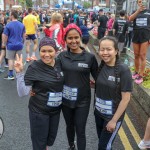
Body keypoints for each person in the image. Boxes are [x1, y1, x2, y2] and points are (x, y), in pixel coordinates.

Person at [14, 37, 64, 150]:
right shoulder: (34, 67)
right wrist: (20, 73)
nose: (46, 55)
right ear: (39, 51)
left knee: (49, 140)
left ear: (55, 51)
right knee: (39, 143)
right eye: (43, 51)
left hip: (55, 111)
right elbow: (23, 93)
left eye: (50, 51)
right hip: (39, 112)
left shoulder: (60, 64)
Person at [58, 23, 98, 150]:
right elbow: (53, 77)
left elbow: (99, 78)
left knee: (80, 129)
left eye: (76, 37)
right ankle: (71, 146)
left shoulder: (89, 57)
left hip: (83, 101)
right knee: (69, 126)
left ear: (80, 37)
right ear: (65, 40)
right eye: (70, 38)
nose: (73, 41)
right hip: (66, 100)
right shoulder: (61, 57)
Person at [94, 36, 132, 150]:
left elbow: (126, 99)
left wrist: (114, 121)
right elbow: (104, 85)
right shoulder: (102, 66)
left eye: (109, 49)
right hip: (98, 114)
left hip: (111, 117)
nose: (105, 52)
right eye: (102, 49)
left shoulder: (123, 70)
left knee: (104, 146)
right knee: (102, 143)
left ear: (116, 51)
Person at [129, 0, 150, 84]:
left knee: (142, 55)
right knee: (136, 55)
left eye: (143, 1)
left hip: (145, 35)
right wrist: (138, 10)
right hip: (136, 35)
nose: (141, 2)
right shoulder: (135, 11)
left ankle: (141, 75)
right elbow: (130, 19)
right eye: (140, 1)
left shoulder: (149, 11)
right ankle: (136, 72)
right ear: (138, 3)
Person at [2, 10, 25, 80]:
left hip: (11, 45)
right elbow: (24, 35)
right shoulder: (21, 24)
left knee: (11, 59)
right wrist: (22, 42)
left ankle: (10, 75)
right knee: (18, 59)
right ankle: (19, 74)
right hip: (19, 44)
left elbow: (4, 35)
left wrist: (4, 43)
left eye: (10, 15)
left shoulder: (8, 25)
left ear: (12, 16)